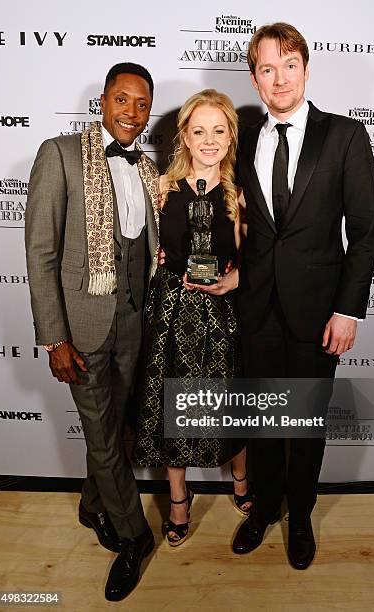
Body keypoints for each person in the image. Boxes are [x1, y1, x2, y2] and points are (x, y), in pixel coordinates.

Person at [232, 23, 374, 569]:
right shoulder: (241, 136)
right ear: (254, 79)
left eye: (288, 65)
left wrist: (347, 309)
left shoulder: (343, 135)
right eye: (266, 69)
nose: (279, 79)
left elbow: (365, 232)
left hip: (319, 311)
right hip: (257, 307)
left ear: (306, 69)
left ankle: (299, 517)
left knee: (306, 421)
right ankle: (265, 507)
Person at [25, 62, 159, 602]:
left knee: (118, 430)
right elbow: (40, 252)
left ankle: (91, 505)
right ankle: (134, 537)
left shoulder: (149, 169)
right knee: (102, 435)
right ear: (102, 100)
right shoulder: (58, 154)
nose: (132, 112)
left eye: (142, 103)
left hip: (134, 321)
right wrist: (54, 339)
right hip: (81, 327)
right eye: (122, 99)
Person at [133, 89, 252, 546]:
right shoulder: (161, 188)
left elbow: (252, 258)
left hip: (221, 313)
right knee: (175, 405)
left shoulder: (238, 194)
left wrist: (235, 280)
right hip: (171, 311)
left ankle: (241, 481)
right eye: (199, 130)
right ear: (183, 134)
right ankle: (179, 498)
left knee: (231, 403)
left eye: (218, 131)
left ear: (230, 137)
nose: (209, 140)